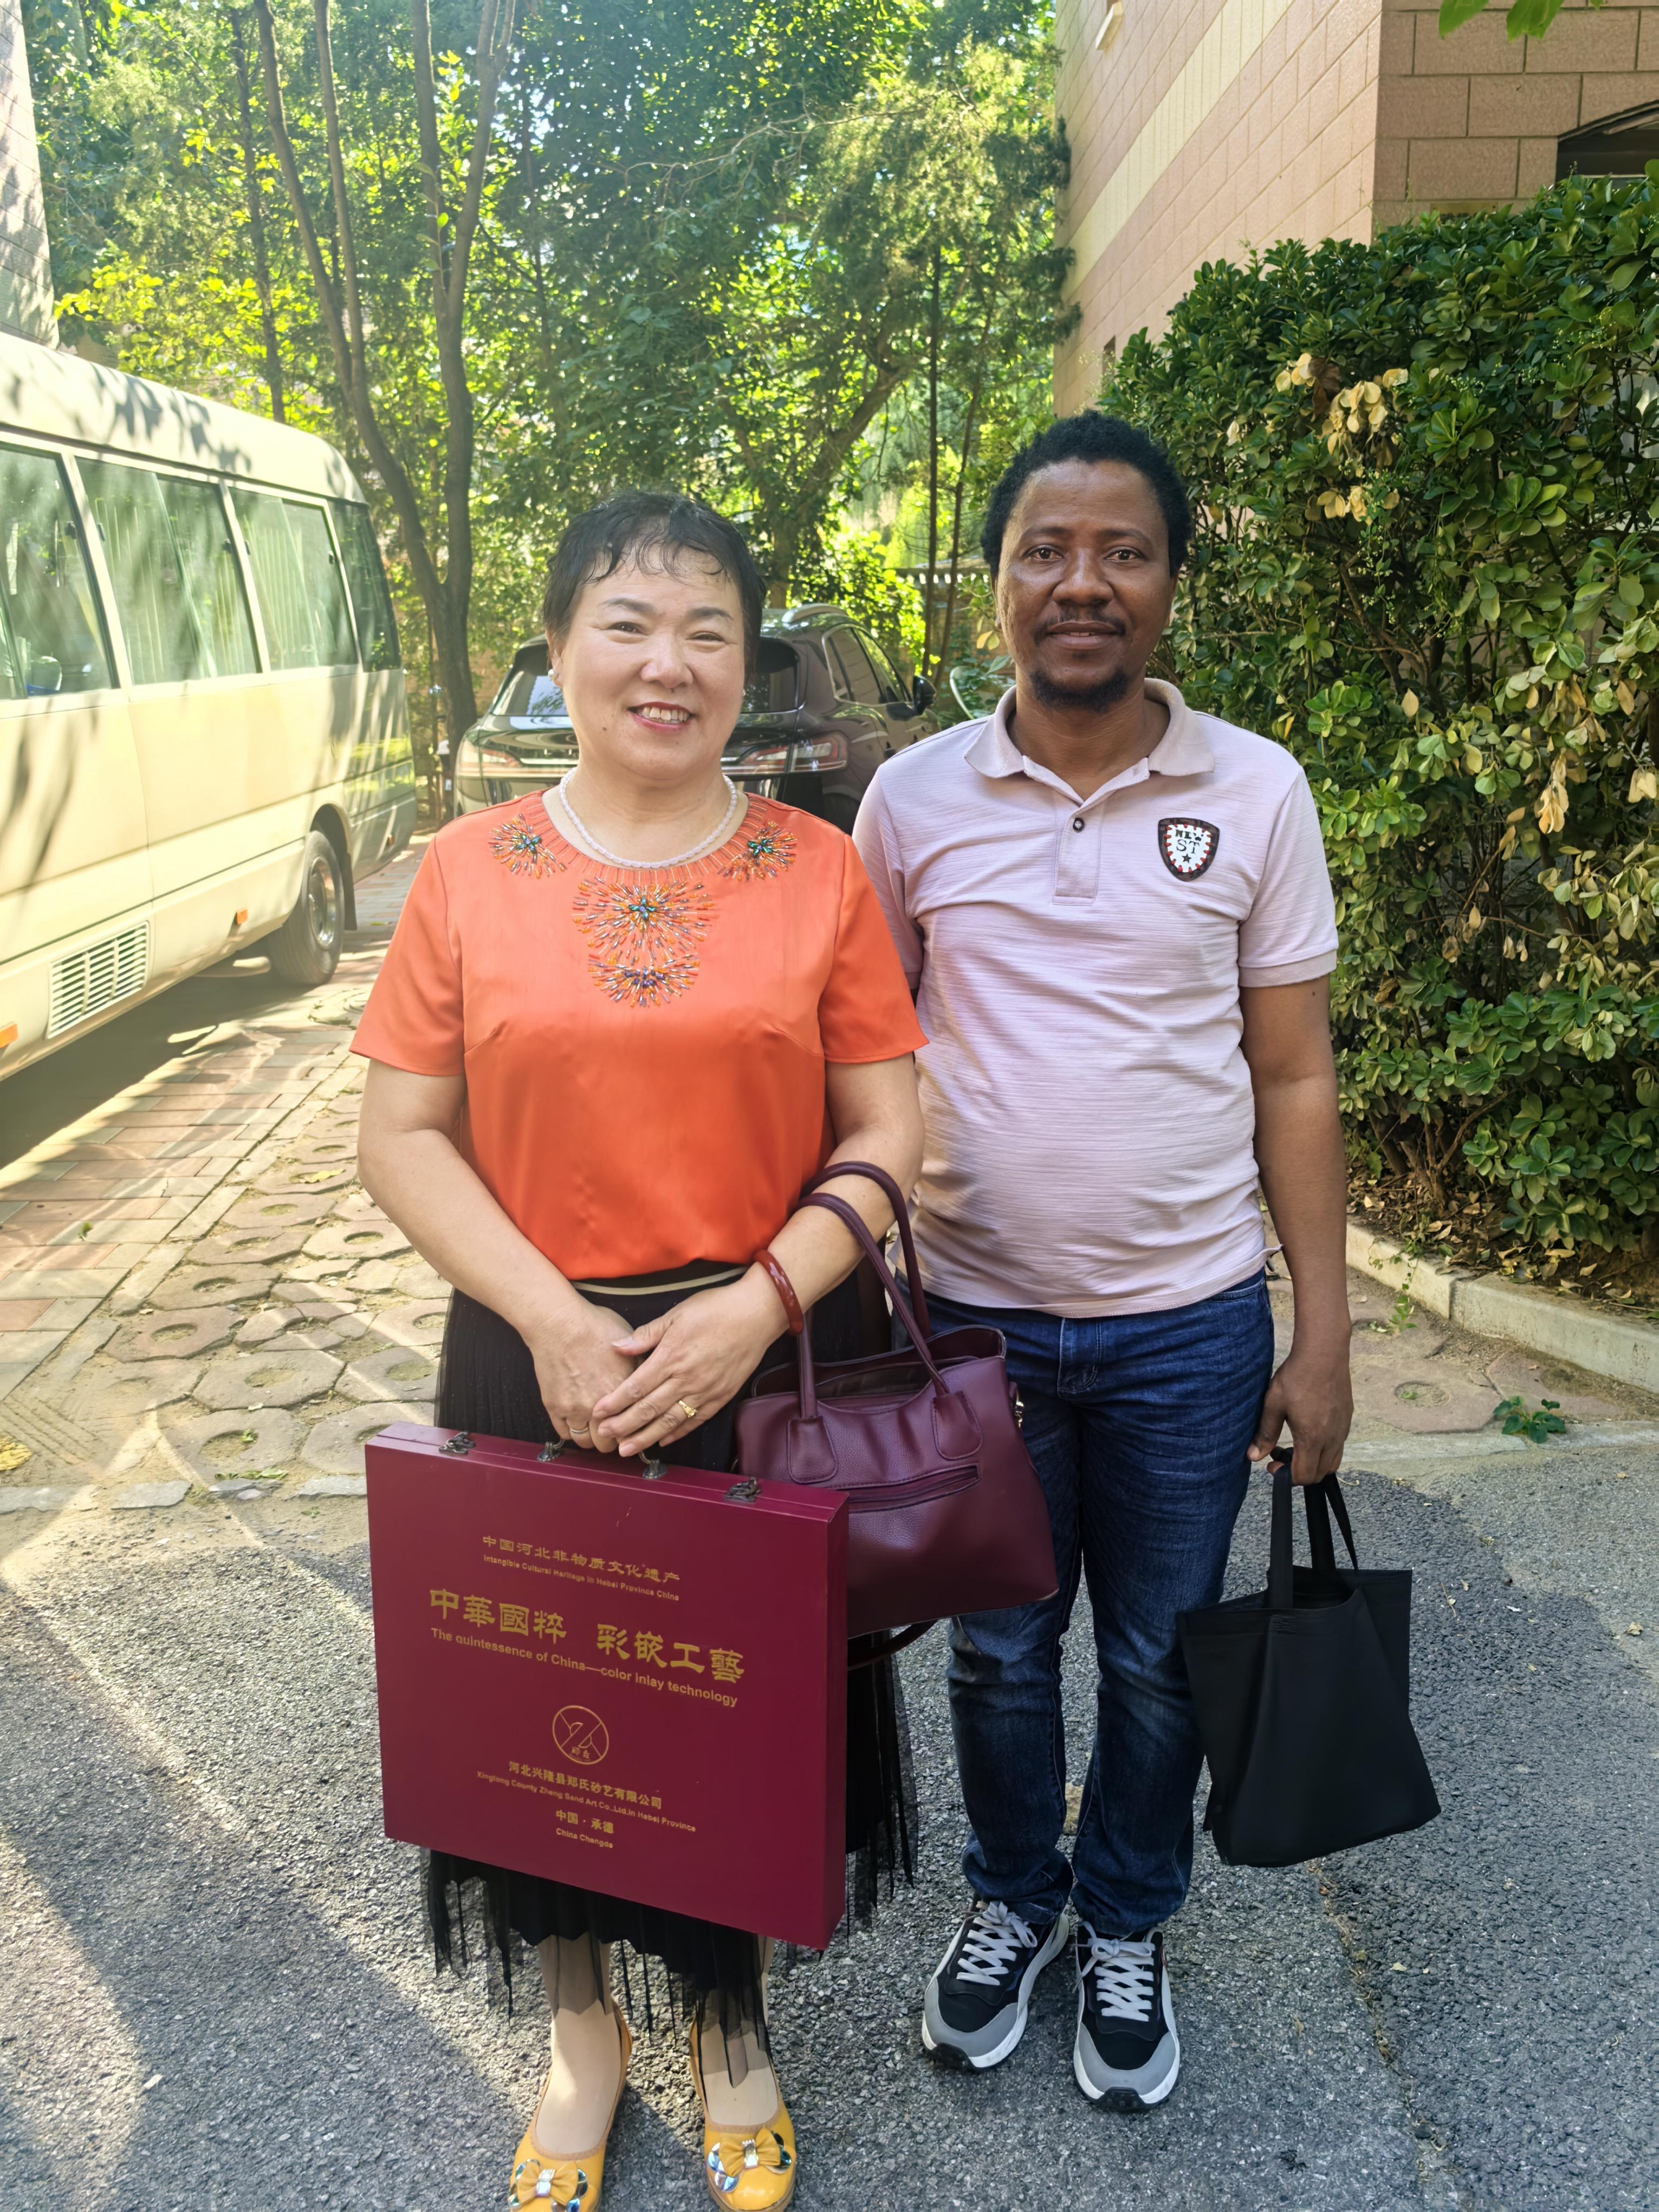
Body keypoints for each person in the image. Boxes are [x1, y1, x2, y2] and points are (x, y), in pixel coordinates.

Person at [354, 489, 925, 2210]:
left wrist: (755, 1307)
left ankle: (731, 2026)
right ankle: (582, 2033)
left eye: (707, 632)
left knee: (738, 1726)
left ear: (746, 667)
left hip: (759, 1355)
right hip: (531, 1352)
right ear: (559, 652)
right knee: (542, 1713)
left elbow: (890, 1133)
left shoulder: (817, 870)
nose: (667, 664)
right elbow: (402, 1137)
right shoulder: (470, 871)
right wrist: (551, 1319)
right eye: (628, 624)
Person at [853, 412, 1352, 2110]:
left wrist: (1323, 1337)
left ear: (1170, 581)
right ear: (994, 581)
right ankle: (1013, 1896)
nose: (1083, 583)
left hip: (1190, 1328)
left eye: (1122, 552)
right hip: (971, 1328)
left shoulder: (1256, 789)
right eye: (1046, 552)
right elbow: (865, 1061)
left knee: (1155, 1656)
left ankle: (1126, 1916)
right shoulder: (913, 800)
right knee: (998, 1652)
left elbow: (1294, 1075)